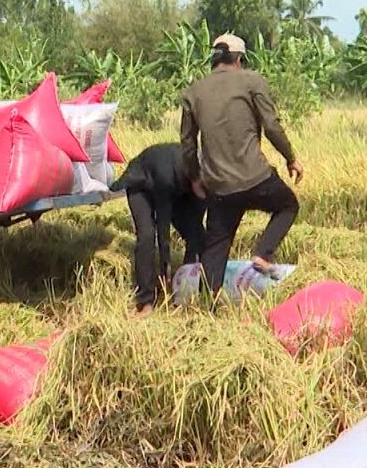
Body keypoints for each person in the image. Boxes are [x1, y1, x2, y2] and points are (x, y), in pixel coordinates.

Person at [179, 33, 304, 296]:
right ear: (238, 59)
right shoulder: (252, 81)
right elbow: (271, 125)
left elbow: (188, 143)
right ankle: (263, 254)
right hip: (256, 177)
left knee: (216, 248)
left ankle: (207, 305)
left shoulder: (193, 92)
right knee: (288, 205)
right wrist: (290, 158)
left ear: (214, 60)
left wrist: (195, 177)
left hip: (219, 187)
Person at [111, 143, 206, 313]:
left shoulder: (204, 184)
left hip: (177, 188)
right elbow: (163, 231)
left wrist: (187, 276)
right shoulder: (167, 175)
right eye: (203, 188)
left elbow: (196, 227)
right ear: (195, 178)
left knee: (196, 234)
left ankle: (187, 292)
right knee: (147, 236)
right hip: (142, 183)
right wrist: (165, 270)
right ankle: (146, 301)